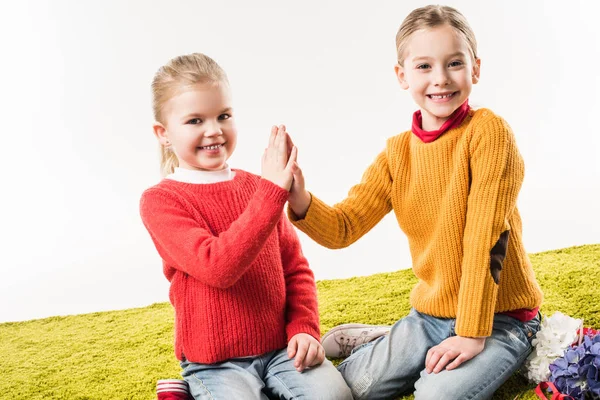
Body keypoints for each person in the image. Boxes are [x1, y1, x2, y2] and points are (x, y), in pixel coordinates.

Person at [285, 5, 544, 399]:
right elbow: (344, 227)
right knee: (348, 389)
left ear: (475, 68)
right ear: (402, 75)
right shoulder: (397, 154)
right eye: (424, 66)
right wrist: (299, 195)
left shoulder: (489, 133)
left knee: (435, 395)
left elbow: (484, 240)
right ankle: (390, 340)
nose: (440, 79)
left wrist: (472, 335)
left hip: (500, 318)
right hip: (431, 316)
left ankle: (498, 347)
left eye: (454, 63)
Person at [139, 53, 352, 400]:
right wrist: (271, 193)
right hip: (216, 363)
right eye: (195, 120)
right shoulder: (161, 201)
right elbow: (218, 267)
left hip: (281, 349)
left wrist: (304, 328)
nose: (214, 130)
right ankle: (190, 389)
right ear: (164, 134)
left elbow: (294, 269)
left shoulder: (258, 187)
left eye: (223, 115)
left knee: (336, 397)